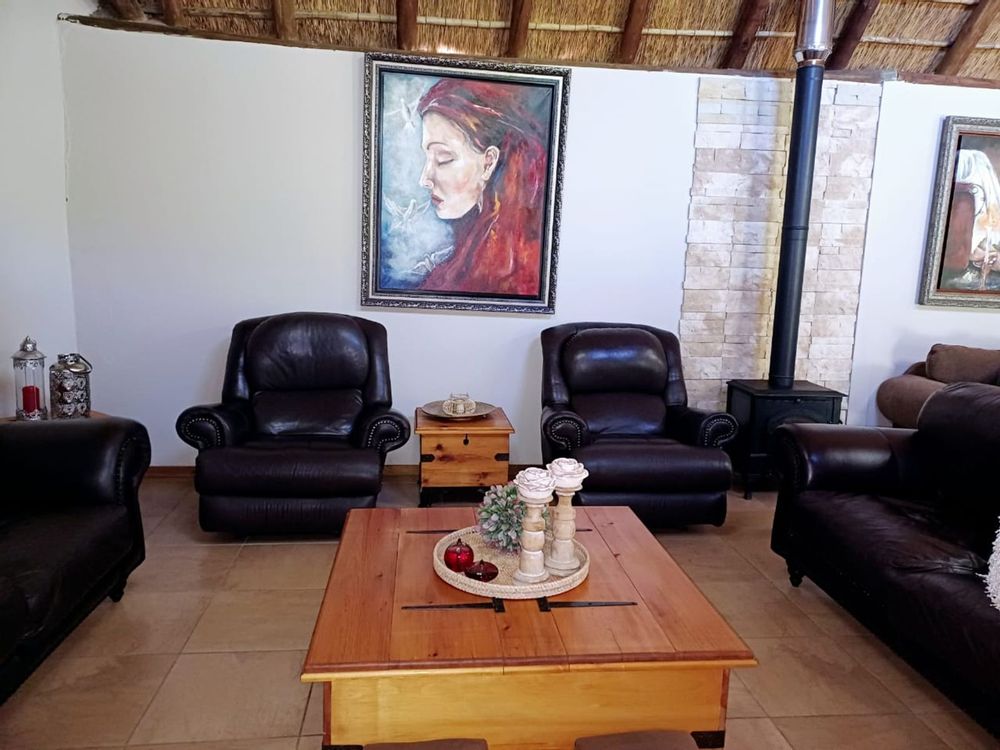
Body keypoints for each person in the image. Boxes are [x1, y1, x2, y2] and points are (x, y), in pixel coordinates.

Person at [414, 78, 549, 296]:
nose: (424, 179)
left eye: (443, 158)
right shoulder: (466, 252)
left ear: (488, 162)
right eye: (427, 158)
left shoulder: (516, 266)